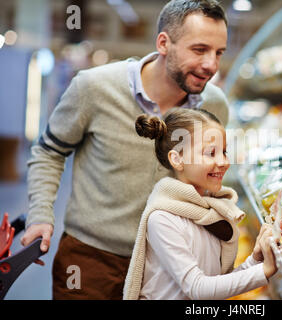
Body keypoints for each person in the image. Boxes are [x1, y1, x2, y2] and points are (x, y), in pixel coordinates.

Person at [21, 0, 230, 299]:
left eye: (219, 52)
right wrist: (41, 214)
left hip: (168, 263)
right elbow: (49, 151)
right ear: (163, 43)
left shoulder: (215, 105)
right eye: (199, 50)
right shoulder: (94, 88)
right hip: (90, 260)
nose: (211, 64)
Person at [123, 108, 277, 300]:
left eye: (223, 152)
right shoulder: (162, 218)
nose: (223, 161)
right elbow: (197, 288)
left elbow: (218, 283)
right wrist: (263, 270)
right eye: (211, 153)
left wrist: (256, 259)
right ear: (177, 159)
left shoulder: (209, 211)